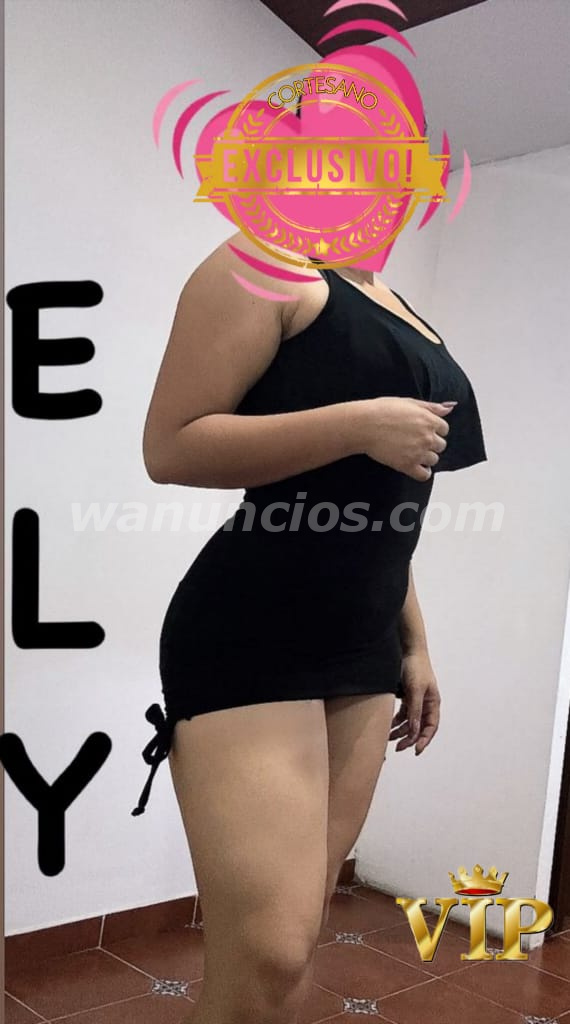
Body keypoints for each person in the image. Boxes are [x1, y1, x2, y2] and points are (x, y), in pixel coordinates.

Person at [132, 228, 487, 1024]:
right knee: (268, 952)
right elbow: (170, 446)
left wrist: (416, 641)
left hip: (365, 644)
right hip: (254, 628)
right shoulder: (259, 263)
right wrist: (357, 423)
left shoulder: (388, 298)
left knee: (295, 948)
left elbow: (376, 511)